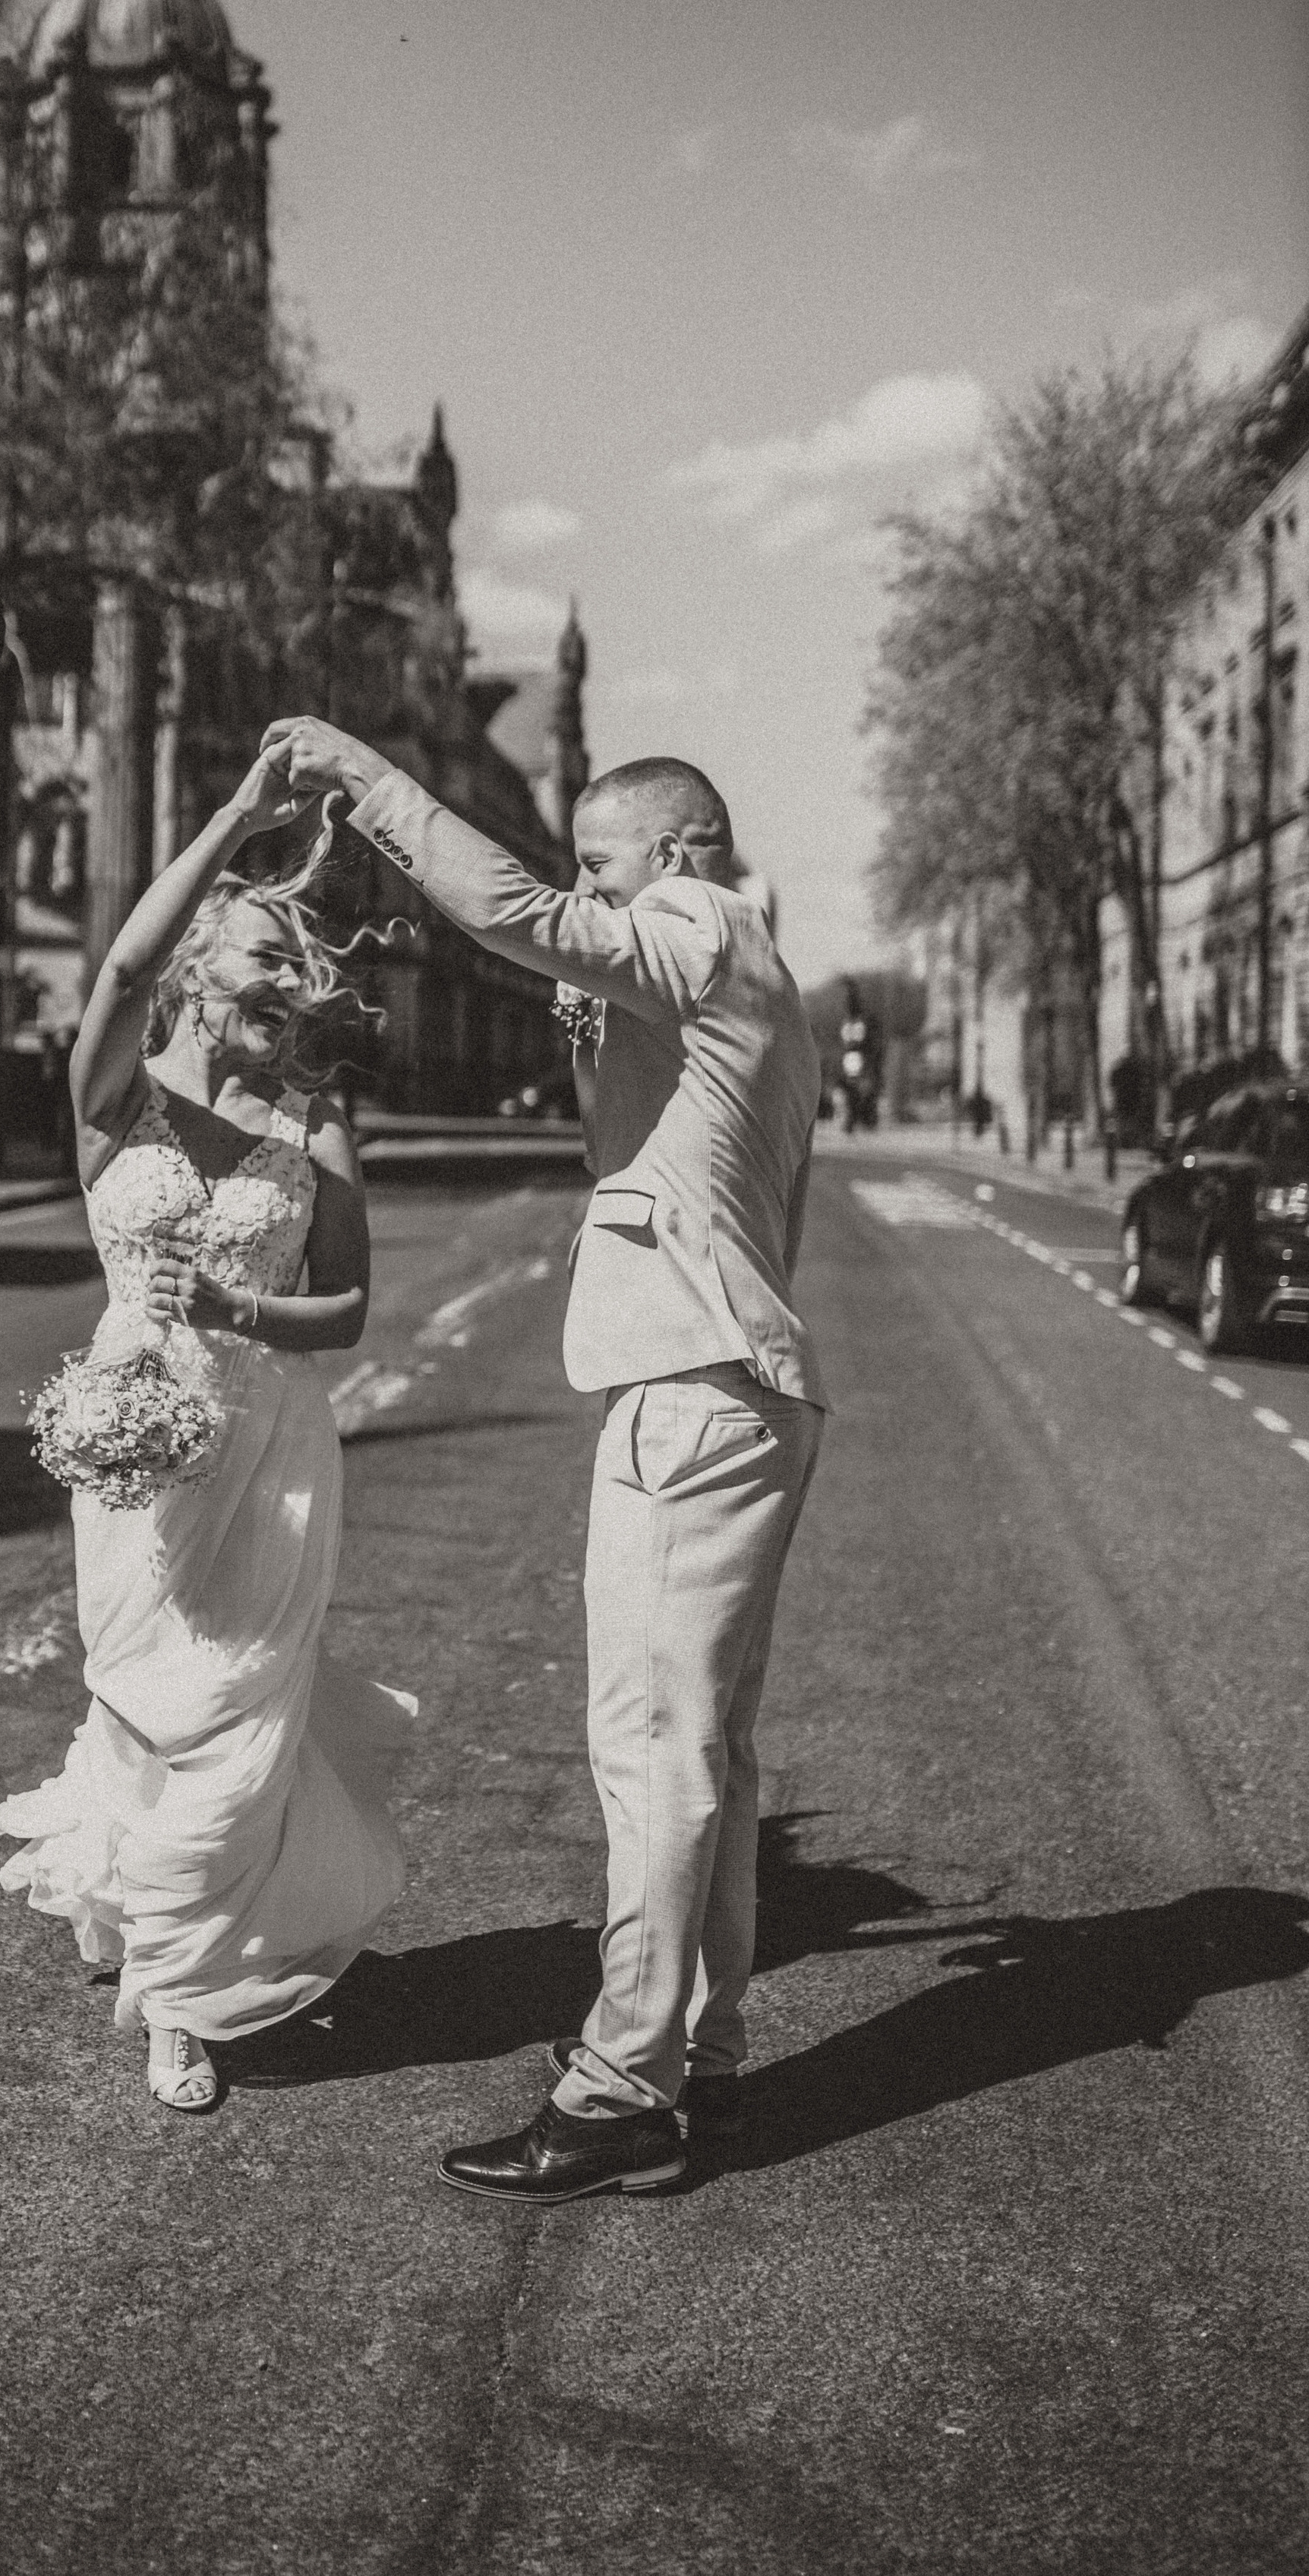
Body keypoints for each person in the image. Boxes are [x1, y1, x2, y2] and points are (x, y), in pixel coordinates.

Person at [263, 715, 825, 2202]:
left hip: (685, 1395)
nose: (588, 895)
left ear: (679, 855)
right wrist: (597, 1068)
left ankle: (618, 2084)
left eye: (603, 865)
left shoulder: (697, 923)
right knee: (707, 1756)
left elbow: (512, 915)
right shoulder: (756, 978)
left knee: (648, 1756)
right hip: (742, 1388)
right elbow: (664, 1181)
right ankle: (703, 2065)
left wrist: (364, 783)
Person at [0, 747, 412, 2114]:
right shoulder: (118, 1100)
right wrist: (239, 817)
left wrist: (244, 1302)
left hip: (275, 1450)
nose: (287, 994)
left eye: (298, 973)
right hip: (132, 1435)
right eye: (258, 967)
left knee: (234, 1712)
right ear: (193, 979)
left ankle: (179, 1996)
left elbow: (345, 1311)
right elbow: (113, 971)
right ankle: (144, 1903)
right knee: (143, 1695)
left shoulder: (318, 1121)